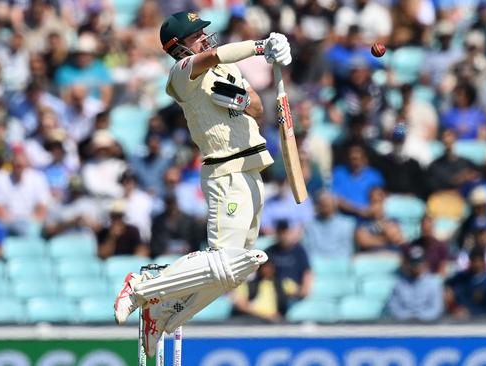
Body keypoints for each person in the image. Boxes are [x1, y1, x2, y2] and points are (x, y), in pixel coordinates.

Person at [113, 11, 291, 355]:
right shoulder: (181, 74)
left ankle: (164, 315)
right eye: (197, 35)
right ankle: (141, 287)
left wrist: (239, 99)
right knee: (225, 259)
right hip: (225, 172)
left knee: (235, 271)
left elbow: (257, 108)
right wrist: (260, 46)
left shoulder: (227, 70)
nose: (206, 38)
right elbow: (212, 56)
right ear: (179, 47)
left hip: (252, 168)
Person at [387, 246, 444, 322]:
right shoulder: (400, 283)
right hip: (403, 325)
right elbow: (393, 307)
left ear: (425, 263)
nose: (417, 266)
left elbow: (436, 309)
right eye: (414, 263)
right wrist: (409, 317)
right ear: (408, 264)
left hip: (428, 326)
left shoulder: (434, 283)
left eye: (420, 262)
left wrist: (419, 317)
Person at [264, 220, 312, 306]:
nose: (283, 235)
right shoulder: (269, 251)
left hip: (294, 294)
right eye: (280, 232)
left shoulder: (299, 251)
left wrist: (302, 291)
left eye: (285, 232)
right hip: (273, 294)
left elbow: (307, 272)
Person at [445, 247, 486, 319]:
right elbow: (447, 284)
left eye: (479, 261)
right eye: (474, 261)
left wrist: (469, 312)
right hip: (454, 319)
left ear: (484, 262)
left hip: (477, 323)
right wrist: (448, 291)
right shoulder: (460, 277)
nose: (477, 264)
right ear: (470, 262)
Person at [302, 191, 356, 258]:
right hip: (317, 263)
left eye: (327, 204)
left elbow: (349, 250)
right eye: (323, 204)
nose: (325, 207)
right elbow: (308, 249)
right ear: (317, 206)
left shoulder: (348, 224)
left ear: (334, 205)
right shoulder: (309, 226)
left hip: (341, 263)